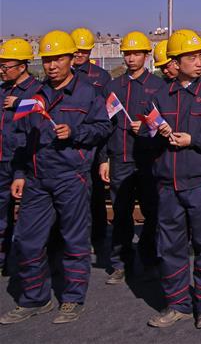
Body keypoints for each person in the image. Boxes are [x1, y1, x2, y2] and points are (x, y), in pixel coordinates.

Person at [0, 31, 111, 325]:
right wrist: (21, 173)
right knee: (26, 240)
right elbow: (23, 138)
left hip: (70, 177)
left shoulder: (87, 93)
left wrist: (76, 133)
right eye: (47, 60)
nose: (51, 65)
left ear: (71, 59)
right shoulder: (33, 95)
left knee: (74, 240)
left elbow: (103, 128)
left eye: (58, 59)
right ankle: (36, 298)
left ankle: (72, 299)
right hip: (37, 178)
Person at [146, 29, 201, 329]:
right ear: (175, 61)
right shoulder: (159, 96)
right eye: (191, 57)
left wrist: (193, 139)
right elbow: (146, 137)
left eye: (200, 57)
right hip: (168, 185)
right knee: (170, 247)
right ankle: (177, 304)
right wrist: (152, 132)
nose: (198, 63)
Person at [100, 31, 166, 285]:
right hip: (121, 157)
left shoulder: (158, 86)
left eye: (136, 53)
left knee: (152, 212)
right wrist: (104, 159)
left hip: (149, 160)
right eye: (127, 53)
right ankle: (120, 263)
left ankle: (149, 259)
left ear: (147, 56)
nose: (131, 58)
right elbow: (104, 125)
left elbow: (164, 123)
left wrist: (148, 129)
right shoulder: (113, 87)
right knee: (121, 212)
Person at [0, 39, 40, 277]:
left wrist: (21, 104)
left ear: (23, 66)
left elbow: (37, 121)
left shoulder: (36, 92)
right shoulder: (4, 90)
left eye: (7, 66)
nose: (2, 70)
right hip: (2, 159)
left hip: (24, 163)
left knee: (29, 220)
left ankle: (29, 267)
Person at [71, 27, 112, 259]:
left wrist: (104, 155)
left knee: (96, 193)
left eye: (84, 52)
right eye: (76, 52)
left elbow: (106, 114)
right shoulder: (61, 75)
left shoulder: (100, 77)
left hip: (94, 141)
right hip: (72, 142)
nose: (79, 56)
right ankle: (77, 240)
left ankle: (98, 238)